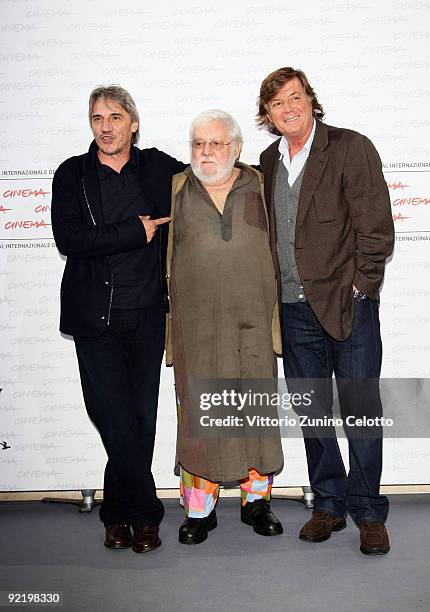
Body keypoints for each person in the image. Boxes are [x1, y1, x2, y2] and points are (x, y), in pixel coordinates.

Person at [257, 67, 394, 555]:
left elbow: (375, 226)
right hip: (293, 311)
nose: (288, 108)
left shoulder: (350, 146)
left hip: (348, 306)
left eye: (295, 97)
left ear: (310, 100)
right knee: (312, 415)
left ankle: (369, 511)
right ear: (268, 115)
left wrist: (362, 287)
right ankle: (329, 505)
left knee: (359, 412)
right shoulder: (267, 163)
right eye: (277, 103)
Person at [51, 85, 186, 553]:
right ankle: (145, 514)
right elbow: (71, 239)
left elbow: (207, 180)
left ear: (133, 122)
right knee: (115, 419)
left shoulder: (157, 167)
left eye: (114, 117)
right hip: (94, 319)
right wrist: (134, 231)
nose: (105, 126)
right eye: (96, 118)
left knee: (140, 420)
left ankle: (117, 515)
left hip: (147, 314)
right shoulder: (72, 174)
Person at [166, 109, 284, 545]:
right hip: (196, 328)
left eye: (216, 143)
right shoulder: (175, 188)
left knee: (254, 411)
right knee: (202, 415)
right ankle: (200, 510)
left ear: (236, 147)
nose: (207, 151)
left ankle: (257, 503)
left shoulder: (262, 184)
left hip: (253, 325)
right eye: (199, 143)